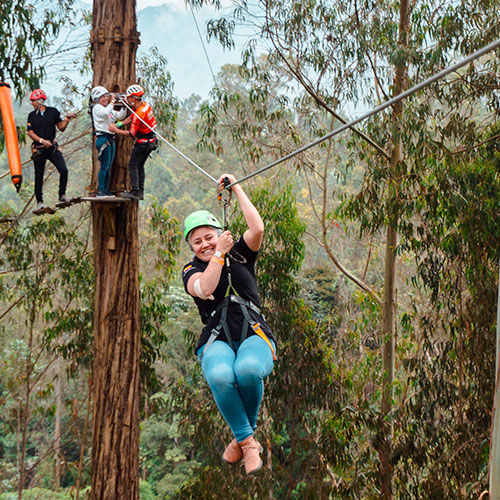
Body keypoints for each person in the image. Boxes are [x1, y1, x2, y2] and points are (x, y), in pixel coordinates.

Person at [182, 174, 277, 475]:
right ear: (191, 247)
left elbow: (257, 228)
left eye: (209, 237)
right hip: (217, 337)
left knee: (248, 371)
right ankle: (249, 442)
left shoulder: (241, 253)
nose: (204, 244)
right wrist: (219, 253)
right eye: (196, 241)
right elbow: (206, 288)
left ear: (220, 233)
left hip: (253, 331)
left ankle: (241, 439)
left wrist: (236, 188)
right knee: (223, 375)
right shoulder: (191, 270)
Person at [27, 89, 77, 212]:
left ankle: (62, 196)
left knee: (64, 170)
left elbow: (61, 128)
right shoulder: (32, 116)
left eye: (33, 101)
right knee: (39, 176)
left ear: (40, 101)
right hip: (39, 149)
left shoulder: (53, 112)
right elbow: (30, 132)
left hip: (52, 148)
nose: (32, 103)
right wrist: (41, 141)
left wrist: (67, 119)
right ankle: (40, 202)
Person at [108, 84, 157, 200]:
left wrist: (116, 130)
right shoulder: (145, 105)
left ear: (134, 98)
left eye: (129, 97)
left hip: (143, 144)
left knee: (132, 165)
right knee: (140, 165)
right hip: (152, 141)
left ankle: (135, 192)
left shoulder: (139, 115)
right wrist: (119, 123)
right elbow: (132, 116)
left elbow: (132, 133)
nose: (127, 99)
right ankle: (140, 191)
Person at [90, 86, 127, 198]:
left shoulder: (108, 109)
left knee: (108, 166)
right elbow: (105, 113)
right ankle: (101, 191)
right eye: (103, 97)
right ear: (96, 99)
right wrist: (112, 102)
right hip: (103, 138)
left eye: (106, 96)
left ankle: (105, 190)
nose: (105, 99)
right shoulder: (97, 108)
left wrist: (124, 107)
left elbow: (120, 116)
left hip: (110, 138)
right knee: (104, 166)